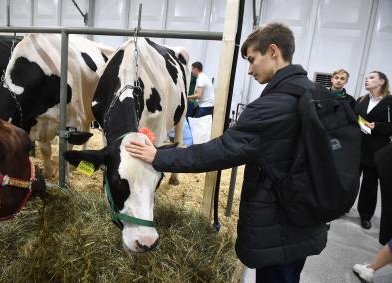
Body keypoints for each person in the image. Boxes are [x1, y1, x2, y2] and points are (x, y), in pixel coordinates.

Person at [126, 22, 327, 283]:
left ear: (274, 51)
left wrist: (159, 157)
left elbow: (218, 152)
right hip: (307, 217)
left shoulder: (272, 107)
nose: (250, 69)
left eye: (252, 59)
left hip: (279, 225)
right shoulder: (315, 93)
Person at [355, 71, 392, 230]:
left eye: (371, 78)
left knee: (369, 185)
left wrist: (377, 126)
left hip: (376, 149)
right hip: (357, 147)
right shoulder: (361, 100)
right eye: (366, 78)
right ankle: (342, 207)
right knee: (350, 180)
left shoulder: (390, 102)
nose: (367, 81)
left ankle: (365, 215)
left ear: (381, 81)